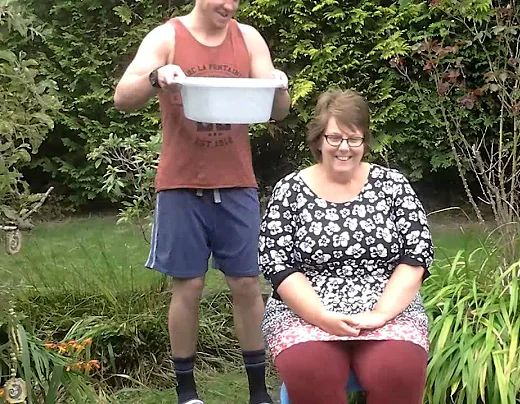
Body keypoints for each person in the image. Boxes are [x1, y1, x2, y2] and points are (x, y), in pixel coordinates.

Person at [113, 1, 291, 403]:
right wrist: (157, 77)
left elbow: (279, 111)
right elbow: (122, 97)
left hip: (236, 183)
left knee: (247, 284)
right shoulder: (166, 37)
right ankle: (187, 392)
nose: (230, 5)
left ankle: (258, 391)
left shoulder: (248, 39)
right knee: (188, 286)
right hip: (180, 185)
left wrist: (280, 85)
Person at [258, 89, 434, 404]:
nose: (344, 148)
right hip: (305, 312)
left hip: (387, 309)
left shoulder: (392, 185)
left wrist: (381, 314)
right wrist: (323, 317)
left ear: (365, 142)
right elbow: (278, 265)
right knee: (311, 371)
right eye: (335, 138)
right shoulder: (290, 191)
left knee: (397, 372)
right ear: (319, 139)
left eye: (354, 139)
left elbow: (416, 254)